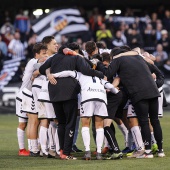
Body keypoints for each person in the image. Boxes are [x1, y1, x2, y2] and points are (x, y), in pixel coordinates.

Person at [96, 46, 164, 158]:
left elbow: (107, 73)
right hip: (153, 92)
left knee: (144, 122)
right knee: (155, 121)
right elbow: (159, 73)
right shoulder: (139, 58)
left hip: (138, 93)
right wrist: (155, 85)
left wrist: (99, 63)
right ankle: (160, 151)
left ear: (114, 55)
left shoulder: (118, 60)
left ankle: (147, 152)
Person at [38, 45, 104, 160]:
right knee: (70, 122)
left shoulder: (54, 58)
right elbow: (87, 70)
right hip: (69, 91)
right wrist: (101, 75)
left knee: (61, 123)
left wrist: (48, 74)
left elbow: (41, 69)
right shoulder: (75, 58)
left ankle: (61, 150)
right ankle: (66, 153)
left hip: (54, 91)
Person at [52, 70, 119, 160]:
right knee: (99, 126)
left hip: (87, 98)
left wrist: (54, 75)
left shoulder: (81, 74)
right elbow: (112, 88)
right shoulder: (100, 78)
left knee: (85, 124)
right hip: (101, 98)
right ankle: (99, 153)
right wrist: (113, 91)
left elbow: (68, 72)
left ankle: (87, 152)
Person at [16, 43, 47, 156]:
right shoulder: (34, 61)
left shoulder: (34, 62)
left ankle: (29, 148)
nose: (45, 56)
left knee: (30, 123)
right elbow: (41, 66)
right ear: (36, 54)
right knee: (27, 123)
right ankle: (23, 149)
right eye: (43, 54)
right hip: (26, 94)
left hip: (26, 94)